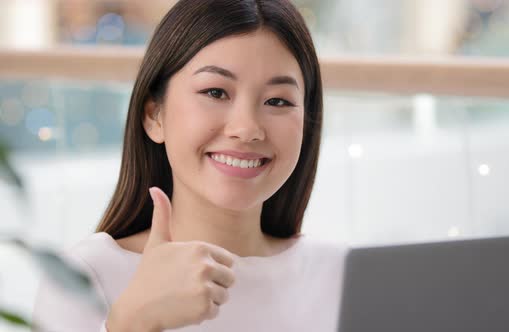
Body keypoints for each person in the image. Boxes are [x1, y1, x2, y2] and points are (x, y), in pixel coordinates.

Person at [32, 0, 348, 331]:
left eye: (278, 101)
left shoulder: (339, 274)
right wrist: (132, 323)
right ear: (154, 115)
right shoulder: (83, 277)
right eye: (215, 92)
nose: (247, 128)